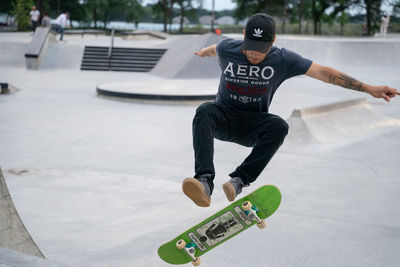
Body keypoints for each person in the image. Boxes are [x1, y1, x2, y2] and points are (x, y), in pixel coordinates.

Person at [182, 13, 400, 207]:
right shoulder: (227, 47)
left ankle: (239, 180)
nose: (255, 55)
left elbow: (324, 73)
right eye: (251, 48)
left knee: (279, 126)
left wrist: (368, 88)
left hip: (253, 125)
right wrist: (203, 52)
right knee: (204, 110)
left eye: (261, 50)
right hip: (224, 118)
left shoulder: (283, 59)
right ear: (244, 35)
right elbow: (214, 50)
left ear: (273, 41)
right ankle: (204, 182)